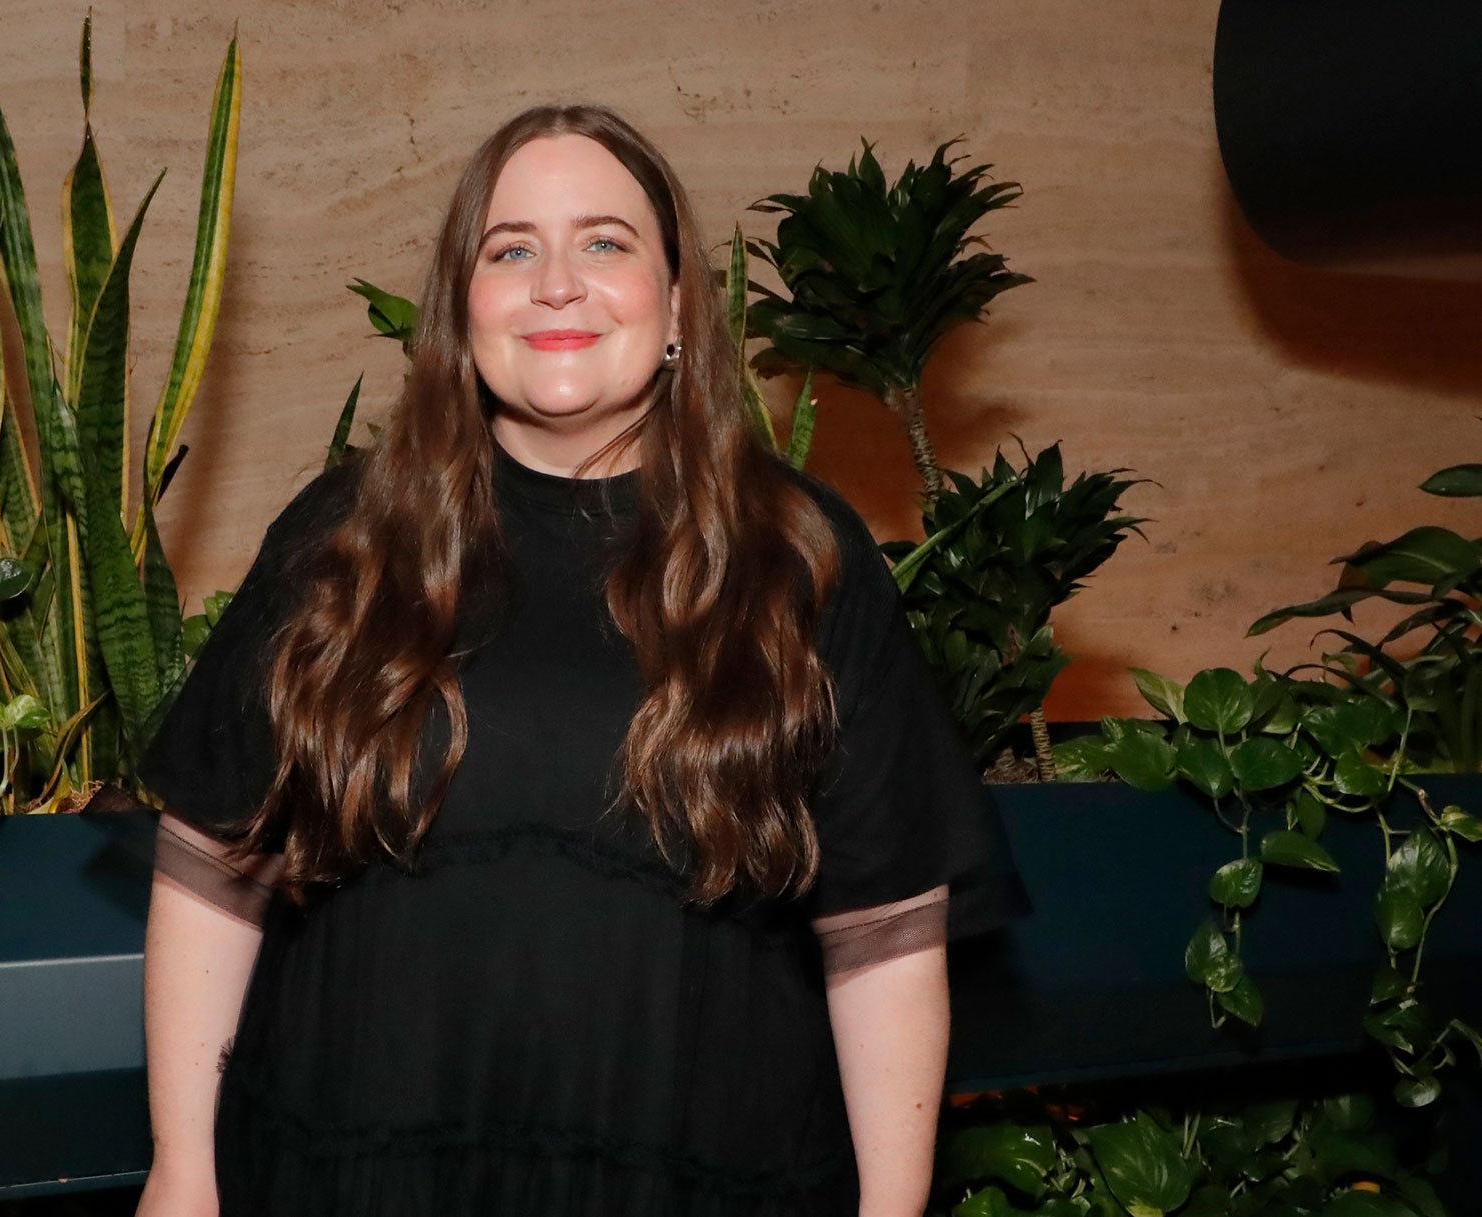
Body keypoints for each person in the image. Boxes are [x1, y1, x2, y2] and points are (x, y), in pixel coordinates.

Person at [135, 103, 1029, 1217]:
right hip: (351, 1167)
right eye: (511, 249)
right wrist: (182, 1168)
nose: (556, 282)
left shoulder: (796, 554)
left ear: (677, 309)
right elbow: (212, 869)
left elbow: (882, 936)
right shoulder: (345, 539)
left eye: (604, 242)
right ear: (464, 309)